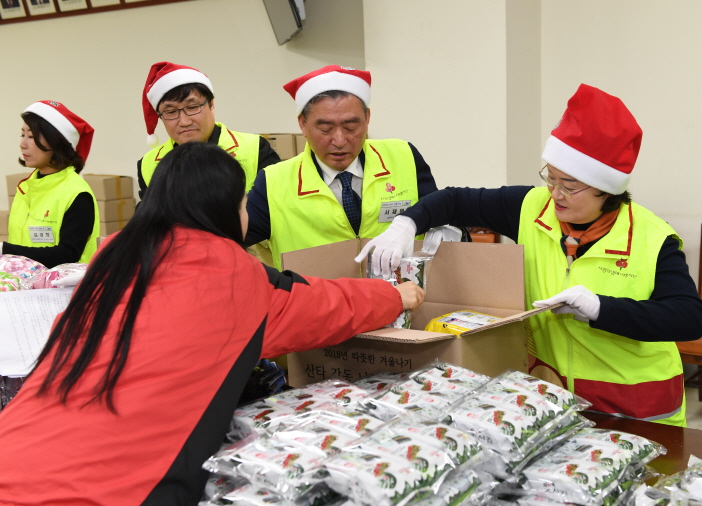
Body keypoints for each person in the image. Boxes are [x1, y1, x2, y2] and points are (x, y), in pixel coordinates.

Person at [0, 142, 424, 505]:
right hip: (109, 490)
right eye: (243, 204)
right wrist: (395, 295)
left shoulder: (111, 261)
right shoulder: (232, 276)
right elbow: (322, 307)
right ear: (223, 209)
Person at [357, 84, 702, 427]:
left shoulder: (653, 237)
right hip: (553, 400)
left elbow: (688, 319)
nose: (555, 193)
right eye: (549, 178)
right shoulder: (530, 207)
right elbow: (454, 200)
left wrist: (602, 308)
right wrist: (405, 225)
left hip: (636, 409)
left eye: (569, 185)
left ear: (607, 190)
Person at [244, 65, 439, 270]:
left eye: (351, 127)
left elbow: (437, 213)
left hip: (401, 297)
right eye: (325, 128)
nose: (339, 140)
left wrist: (447, 227)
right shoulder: (274, 182)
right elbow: (228, 242)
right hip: (318, 300)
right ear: (303, 124)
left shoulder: (403, 156)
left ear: (367, 119)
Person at [137, 61, 281, 199]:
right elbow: (149, 220)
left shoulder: (254, 148)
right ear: (160, 117)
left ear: (211, 104)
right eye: (171, 112)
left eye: (192, 107)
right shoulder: (148, 164)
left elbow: (271, 210)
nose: (184, 121)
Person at [3, 100, 99, 267]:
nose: (22, 144)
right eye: (22, 134)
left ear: (56, 142)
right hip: (24, 288)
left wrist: (5, 250)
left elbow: (67, 254)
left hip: (63, 290)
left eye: (31, 136)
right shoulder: (26, 188)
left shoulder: (76, 193)